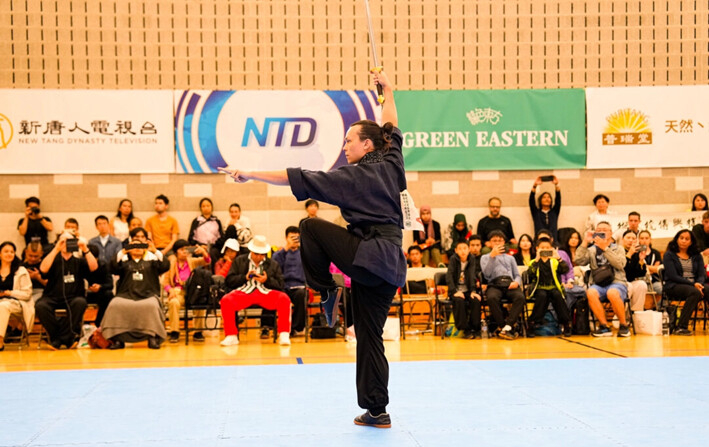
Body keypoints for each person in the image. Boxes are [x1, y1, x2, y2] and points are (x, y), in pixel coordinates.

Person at [219, 69, 404, 429]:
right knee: (369, 337)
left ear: (367, 145)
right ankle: (377, 410)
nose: (345, 146)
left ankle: (325, 290)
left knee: (308, 226)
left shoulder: (350, 177)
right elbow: (390, 125)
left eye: (350, 140)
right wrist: (389, 92)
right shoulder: (393, 162)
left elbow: (293, 176)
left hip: (369, 254)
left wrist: (250, 173)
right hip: (390, 265)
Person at [101, 227, 171, 349]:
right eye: (134, 246)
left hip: (148, 295)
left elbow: (165, 265)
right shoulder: (124, 263)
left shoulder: (152, 263)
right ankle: (118, 339)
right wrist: (123, 252)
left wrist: (155, 250)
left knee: (152, 306)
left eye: (140, 246)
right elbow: (111, 267)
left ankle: (153, 337)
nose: (137, 248)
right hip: (125, 295)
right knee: (114, 304)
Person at [220, 235, 292, 346]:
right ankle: (231, 335)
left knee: (284, 299)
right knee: (226, 300)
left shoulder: (272, 264)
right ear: (251, 251)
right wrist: (244, 277)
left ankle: (284, 333)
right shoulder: (240, 260)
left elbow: (281, 284)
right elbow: (229, 281)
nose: (259, 257)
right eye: (256, 254)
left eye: (262, 254)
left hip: (265, 292)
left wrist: (267, 280)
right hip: (245, 292)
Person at [36, 232, 98, 349]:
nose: (66, 244)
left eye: (69, 241)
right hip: (52, 296)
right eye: (63, 241)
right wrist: (56, 248)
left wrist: (84, 248)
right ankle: (64, 338)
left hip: (74, 297)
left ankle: (58, 340)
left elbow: (94, 267)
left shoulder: (79, 261)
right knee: (40, 306)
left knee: (80, 303)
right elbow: (43, 269)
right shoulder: (53, 259)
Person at [575, 221, 630, 337]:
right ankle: (604, 326)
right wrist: (585, 242)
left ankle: (624, 325)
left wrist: (605, 248)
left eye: (605, 230)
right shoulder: (591, 250)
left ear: (611, 233)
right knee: (590, 292)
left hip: (616, 282)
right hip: (599, 283)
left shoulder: (618, 248)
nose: (601, 232)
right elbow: (579, 260)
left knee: (612, 293)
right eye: (599, 230)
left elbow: (620, 264)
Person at [163, 239, 211, 343]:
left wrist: (203, 252)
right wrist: (170, 290)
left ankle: (198, 332)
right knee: (173, 302)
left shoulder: (192, 261)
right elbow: (165, 283)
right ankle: (174, 331)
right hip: (177, 291)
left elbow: (207, 261)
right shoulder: (170, 263)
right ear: (176, 252)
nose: (185, 252)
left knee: (200, 302)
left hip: (192, 292)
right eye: (181, 249)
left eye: (186, 249)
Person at [480, 230, 525, 340]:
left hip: (509, 283)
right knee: (491, 297)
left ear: (504, 242)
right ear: (489, 243)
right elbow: (486, 274)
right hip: (494, 283)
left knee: (520, 297)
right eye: (494, 241)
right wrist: (492, 257)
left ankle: (508, 326)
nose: (497, 243)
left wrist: (516, 282)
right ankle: (502, 326)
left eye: (500, 240)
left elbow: (517, 275)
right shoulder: (485, 257)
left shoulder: (511, 257)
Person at [526, 237, 572, 336]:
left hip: (553, 287)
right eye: (542, 247)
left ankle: (566, 324)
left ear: (552, 248)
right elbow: (530, 274)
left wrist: (558, 258)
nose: (545, 250)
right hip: (539, 288)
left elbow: (565, 269)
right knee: (542, 295)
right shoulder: (533, 262)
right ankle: (532, 324)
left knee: (556, 295)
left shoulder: (555, 261)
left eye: (548, 248)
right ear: (537, 248)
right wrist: (537, 259)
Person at [663, 229, 706, 335]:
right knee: (694, 292)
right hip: (674, 285)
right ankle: (681, 327)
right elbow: (673, 276)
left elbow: (702, 274)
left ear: (691, 242)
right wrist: (693, 285)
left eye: (687, 239)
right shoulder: (669, 255)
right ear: (677, 239)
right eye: (681, 238)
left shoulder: (696, 255)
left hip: (695, 285)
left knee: (706, 289)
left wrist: (699, 284)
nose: (684, 241)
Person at [272, 226, 307, 336]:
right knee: (277, 295)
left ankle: (296, 327)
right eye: (292, 237)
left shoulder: (304, 253)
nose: (295, 240)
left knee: (302, 294)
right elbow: (274, 266)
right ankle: (279, 327)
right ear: (286, 238)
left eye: (297, 238)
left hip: (299, 286)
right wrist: (286, 249)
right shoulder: (280, 254)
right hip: (283, 286)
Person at [0, 242, 33, 351]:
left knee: (3, 305)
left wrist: (9, 293)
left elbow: (27, 294)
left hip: (16, 303)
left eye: (12, 252)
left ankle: (0, 340)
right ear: (0, 254)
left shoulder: (21, 271)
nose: (9, 254)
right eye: (6, 251)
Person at [446, 240, 481, 339]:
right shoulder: (453, 259)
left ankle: (475, 328)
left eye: (465, 248)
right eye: (460, 249)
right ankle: (465, 329)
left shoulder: (472, 259)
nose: (463, 251)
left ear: (469, 249)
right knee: (459, 301)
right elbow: (449, 276)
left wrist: (473, 291)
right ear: (456, 250)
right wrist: (454, 291)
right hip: (456, 290)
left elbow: (472, 275)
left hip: (468, 290)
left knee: (476, 300)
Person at [85, 243, 114, 327]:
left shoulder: (104, 265)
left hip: (100, 293)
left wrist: (100, 287)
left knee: (109, 295)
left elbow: (110, 284)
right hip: (84, 293)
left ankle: (100, 323)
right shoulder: (81, 264)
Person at [620, 230, 649, 313]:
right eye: (628, 238)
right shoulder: (618, 251)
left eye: (633, 238)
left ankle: (636, 313)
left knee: (641, 285)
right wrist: (629, 254)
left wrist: (641, 260)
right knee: (628, 286)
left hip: (631, 281)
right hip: (619, 282)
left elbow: (640, 274)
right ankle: (622, 312)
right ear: (622, 239)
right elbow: (621, 269)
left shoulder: (636, 253)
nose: (631, 240)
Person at [529, 175, 561, 240]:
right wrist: (535, 185)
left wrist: (556, 185)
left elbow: (558, 199)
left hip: (553, 241)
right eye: (544, 197)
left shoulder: (554, 212)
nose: (547, 199)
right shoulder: (536, 213)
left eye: (549, 197)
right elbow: (531, 201)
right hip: (539, 241)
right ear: (540, 200)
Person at [638, 230, 663, 296]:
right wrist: (650, 268)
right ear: (639, 240)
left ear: (650, 239)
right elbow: (637, 270)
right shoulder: (635, 253)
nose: (644, 240)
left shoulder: (656, 253)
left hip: (654, 281)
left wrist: (644, 267)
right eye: (642, 238)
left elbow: (656, 269)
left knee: (665, 289)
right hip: (640, 281)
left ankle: (660, 306)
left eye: (646, 238)